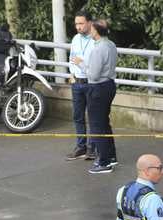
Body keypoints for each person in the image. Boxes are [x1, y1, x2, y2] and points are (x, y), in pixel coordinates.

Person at [85, 18, 117, 174]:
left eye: (91, 29)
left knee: (97, 125)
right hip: (109, 85)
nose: (90, 31)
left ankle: (104, 162)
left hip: (98, 87)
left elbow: (93, 74)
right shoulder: (111, 44)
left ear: (96, 31)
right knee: (104, 122)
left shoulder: (98, 49)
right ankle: (111, 156)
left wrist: (81, 63)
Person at [65, 9, 94, 161]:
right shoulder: (76, 38)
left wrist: (81, 63)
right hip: (77, 82)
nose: (78, 26)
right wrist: (72, 74)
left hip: (91, 83)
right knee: (77, 116)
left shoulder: (96, 39)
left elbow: (96, 65)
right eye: (76, 24)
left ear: (89, 23)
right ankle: (81, 146)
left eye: (81, 23)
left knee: (93, 117)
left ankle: (92, 148)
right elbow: (71, 57)